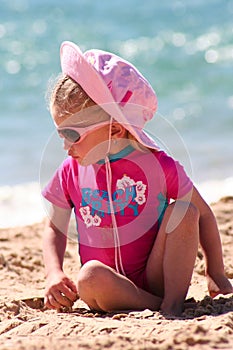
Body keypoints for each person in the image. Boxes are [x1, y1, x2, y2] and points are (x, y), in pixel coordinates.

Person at [42, 41, 232, 316]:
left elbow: (203, 215)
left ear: (116, 130)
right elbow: (54, 228)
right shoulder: (71, 170)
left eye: (71, 135)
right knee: (90, 276)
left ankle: (173, 301)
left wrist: (216, 272)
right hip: (105, 286)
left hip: (157, 277)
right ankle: (160, 308)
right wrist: (53, 273)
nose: (65, 145)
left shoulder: (158, 165)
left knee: (184, 210)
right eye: (59, 134)